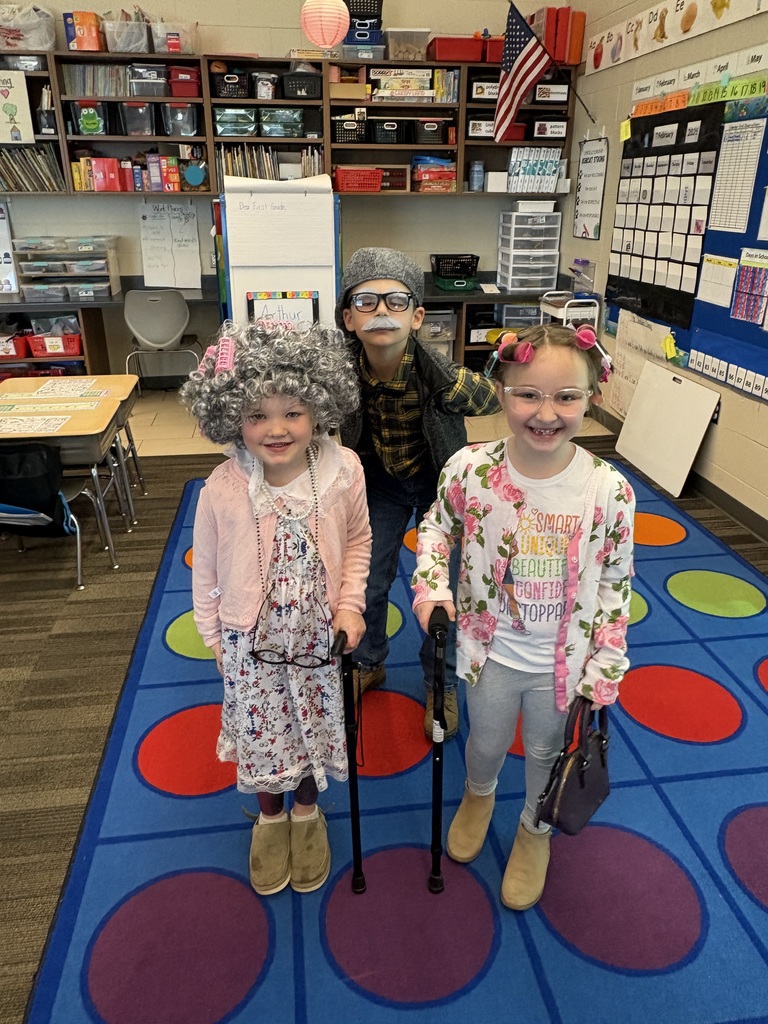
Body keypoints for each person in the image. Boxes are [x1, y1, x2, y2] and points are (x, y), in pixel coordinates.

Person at [412, 323, 635, 909]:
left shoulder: (607, 489)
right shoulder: (471, 470)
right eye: (527, 394)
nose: (545, 412)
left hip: (562, 666)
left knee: (544, 752)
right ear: (502, 393)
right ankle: (478, 794)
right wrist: (433, 588)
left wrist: (607, 658)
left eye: (566, 396)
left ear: (593, 397)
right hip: (490, 653)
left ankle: (536, 832)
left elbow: (616, 578)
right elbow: (436, 527)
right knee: (484, 741)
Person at [180, 320, 371, 897]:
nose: (276, 428)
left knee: (314, 730)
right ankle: (269, 816)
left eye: (292, 411)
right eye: (257, 414)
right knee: (265, 738)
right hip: (250, 643)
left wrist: (351, 606)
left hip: (320, 638)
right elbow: (206, 567)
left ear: (318, 405)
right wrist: (215, 639)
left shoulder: (344, 473)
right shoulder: (222, 486)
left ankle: (307, 812)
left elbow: (359, 540)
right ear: (232, 415)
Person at [336, 246, 500, 739]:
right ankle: (369, 662)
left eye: (396, 301)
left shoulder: (434, 371)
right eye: (366, 301)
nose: (382, 311)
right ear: (348, 317)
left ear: (418, 315)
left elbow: (491, 395)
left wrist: (447, 378)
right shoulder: (339, 371)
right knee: (366, 579)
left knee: (444, 591)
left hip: (438, 488)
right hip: (377, 484)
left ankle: (440, 681)